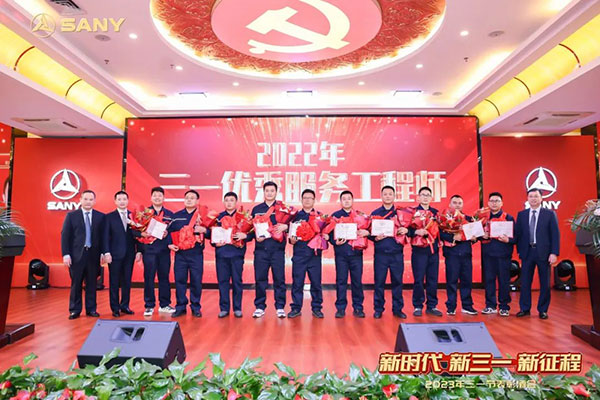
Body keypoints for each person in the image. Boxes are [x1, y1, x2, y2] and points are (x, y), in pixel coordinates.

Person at [515, 188, 560, 319]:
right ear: (527, 199)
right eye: (531, 196)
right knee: (525, 282)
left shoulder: (549, 214)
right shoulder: (522, 215)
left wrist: (554, 253)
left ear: (541, 198)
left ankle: (543, 310)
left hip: (544, 253)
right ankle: (525, 308)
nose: (533, 199)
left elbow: (555, 235)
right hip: (527, 252)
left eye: (536, 196)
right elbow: (518, 234)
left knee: (545, 283)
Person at [61, 190, 105, 319]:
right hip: (76, 256)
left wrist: (103, 252)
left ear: (94, 201)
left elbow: (103, 238)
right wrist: (66, 254)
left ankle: (91, 309)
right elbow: (65, 236)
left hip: (93, 255)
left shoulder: (100, 217)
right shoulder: (71, 216)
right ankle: (75, 310)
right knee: (76, 284)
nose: (88, 202)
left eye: (91, 199)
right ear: (80, 200)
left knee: (92, 284)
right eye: (85, 199)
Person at [249, 181, 288, 318]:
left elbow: (291, 225)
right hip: (261, 250)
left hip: (277, 250)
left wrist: (286, 227)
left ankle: (280, 306)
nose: (269, 193)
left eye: (272, 191)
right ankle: (260, 306)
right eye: (267, 191)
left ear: (276, 192)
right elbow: (251, 229)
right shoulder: (256, 209)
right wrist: (255, 236)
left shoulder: (283, 209)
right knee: (260, 279)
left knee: (279, 279)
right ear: (263, 192)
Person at [168, 190, 208, 317]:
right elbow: (167, 232)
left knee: (196, 281)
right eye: (187, 198)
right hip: (180, 254)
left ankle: (195, 307)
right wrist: (169, 244)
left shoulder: (202, 216)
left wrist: (205, 230)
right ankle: (180, 306)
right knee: (180, 281)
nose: (189, 200)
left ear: (197, 201)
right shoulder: (176, 216)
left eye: (192, 198)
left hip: (196, 254)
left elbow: (213, 233)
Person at [370, 185, 407, 319]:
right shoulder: (375, 213)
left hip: (397, 253)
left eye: (390, 194)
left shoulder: (401, 214)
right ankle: (378, 309)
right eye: (385, 194)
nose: (387, 196)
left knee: (397, 282)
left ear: (394, 196)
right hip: (381, 254)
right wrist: (375, 238)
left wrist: (406, 230)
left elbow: (409, 228)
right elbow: (369, 232)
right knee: (379, 282)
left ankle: (397, 309)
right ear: (381, 196)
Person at [103, 191, 141, 317]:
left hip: (129, 254)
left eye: (124, 199)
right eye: (119, 199)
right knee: (114, 282)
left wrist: (138, 250)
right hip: (114, 254)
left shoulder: (133, 216)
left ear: (128, 201)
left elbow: (138, 235)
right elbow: (105, 237)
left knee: (127, 281)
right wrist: (106, 252)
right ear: (115, 201)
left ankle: (125, 305)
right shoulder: (109, 217)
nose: (122, 201)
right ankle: (115, 308)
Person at [330, 190, 368, 318]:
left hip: (356, 254)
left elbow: (367, 230)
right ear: (340, 201)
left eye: (349, 199)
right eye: (344, 199)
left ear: (352, 201)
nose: (346, 201)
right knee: (341, 281)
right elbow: (329, 234)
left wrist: (365, 233)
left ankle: (358, 307)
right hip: (341, 254)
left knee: (357, 282)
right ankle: (340, 308)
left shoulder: (360, 216)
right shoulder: (335, 216)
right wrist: (335, 241)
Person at [439, 195, 478, 316]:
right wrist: (453, 237)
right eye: (454, 203)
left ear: (462, 205)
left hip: (466, 253)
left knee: (467, 281)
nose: (457, 205)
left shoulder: (469, 219)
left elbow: (475, 235)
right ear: (450, 204)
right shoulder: (444, 219)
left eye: (459, 203)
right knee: (452, 281)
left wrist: (475, 238)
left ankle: (467, 306)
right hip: (452, 254)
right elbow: (440, 234)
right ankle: (451, 306)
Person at [288, 189, 324, 318]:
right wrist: (291, 240)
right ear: (301, 200)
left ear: (314, 200)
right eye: (305, 198)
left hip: (315, 256)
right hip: (299, 255)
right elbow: (290, 237)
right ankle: (296, 308)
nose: (307, 200)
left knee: (316, 283)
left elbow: (324, 234)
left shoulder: (320, 216)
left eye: (310, 198)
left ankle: (317, 308)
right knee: (297, 283)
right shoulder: (295, 216)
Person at [140, 187, 175, 317]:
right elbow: (139, 232)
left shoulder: (169, 214)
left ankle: (164, 304)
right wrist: (139, 250)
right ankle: (149, 305)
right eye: (155, 195)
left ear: (163, 198)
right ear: (151, 197)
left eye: (160, 195)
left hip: (164, 251)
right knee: (149, 277)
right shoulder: (145, 214)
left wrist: (167, 234)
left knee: (164, 277)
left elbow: (173, 232)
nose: (157, 198)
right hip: (149, 251)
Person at [212, 192, 247, 318]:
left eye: (231, 200)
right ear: (224, 202)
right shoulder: (217, 218)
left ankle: (237, 308)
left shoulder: (242, 218)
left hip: (237, 254)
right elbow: (211, 235)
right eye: (226, 200)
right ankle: (224, 308)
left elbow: (251, 233)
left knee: (237, 282)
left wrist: (245, 236)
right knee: (223, 282)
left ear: (236, 202)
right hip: (222, 254)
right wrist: (215, 243)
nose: (229, 202)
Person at [408, 186, 442, 317]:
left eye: (428, 195)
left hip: (433, 250)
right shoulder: (413, 213)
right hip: (419, 251)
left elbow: (441, 230)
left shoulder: (436, 214)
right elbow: (407, 230)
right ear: (418, 197)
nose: (425, 197)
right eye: (423, 195)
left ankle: (432, 305)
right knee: (418, 279)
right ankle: (417, 305)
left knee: (432, 279)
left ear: (431, 198)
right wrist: (416, 231)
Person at [481, 192, 515, 317]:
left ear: (502, 203)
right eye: (492, 201)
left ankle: (504, 306)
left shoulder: (508, 218)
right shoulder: (483, 218)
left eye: (497, 201)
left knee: (504, 281)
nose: (494, 203)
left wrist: (508, 240)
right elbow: (476, 235)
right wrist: (482, 236)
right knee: (489, 280)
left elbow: (516, 237)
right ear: (488, 203)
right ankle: (490, 305)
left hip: (503, 255)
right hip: (488, 255)